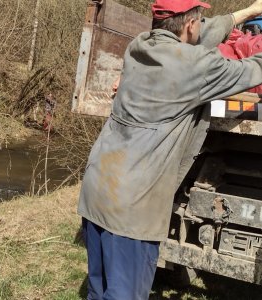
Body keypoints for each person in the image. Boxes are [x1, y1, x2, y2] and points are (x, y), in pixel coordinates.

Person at [78, 0, 262, 298]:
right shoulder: (196, 68)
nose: (203, 26)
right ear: (190, 25)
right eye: (199, 21)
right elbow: (252, 69)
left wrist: (249, 12)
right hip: (131, 211)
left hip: (98, 190)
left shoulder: (140, 46)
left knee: (98, 291)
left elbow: (203, 34)